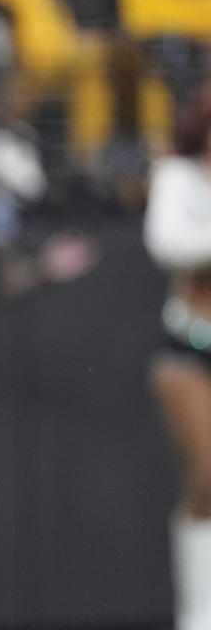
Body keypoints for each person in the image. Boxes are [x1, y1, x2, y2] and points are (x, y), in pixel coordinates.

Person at [145, 82, 211, 630]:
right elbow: (170, 242)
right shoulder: (178, 175)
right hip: (192, 345)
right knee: (207, 478)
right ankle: (198, 614)